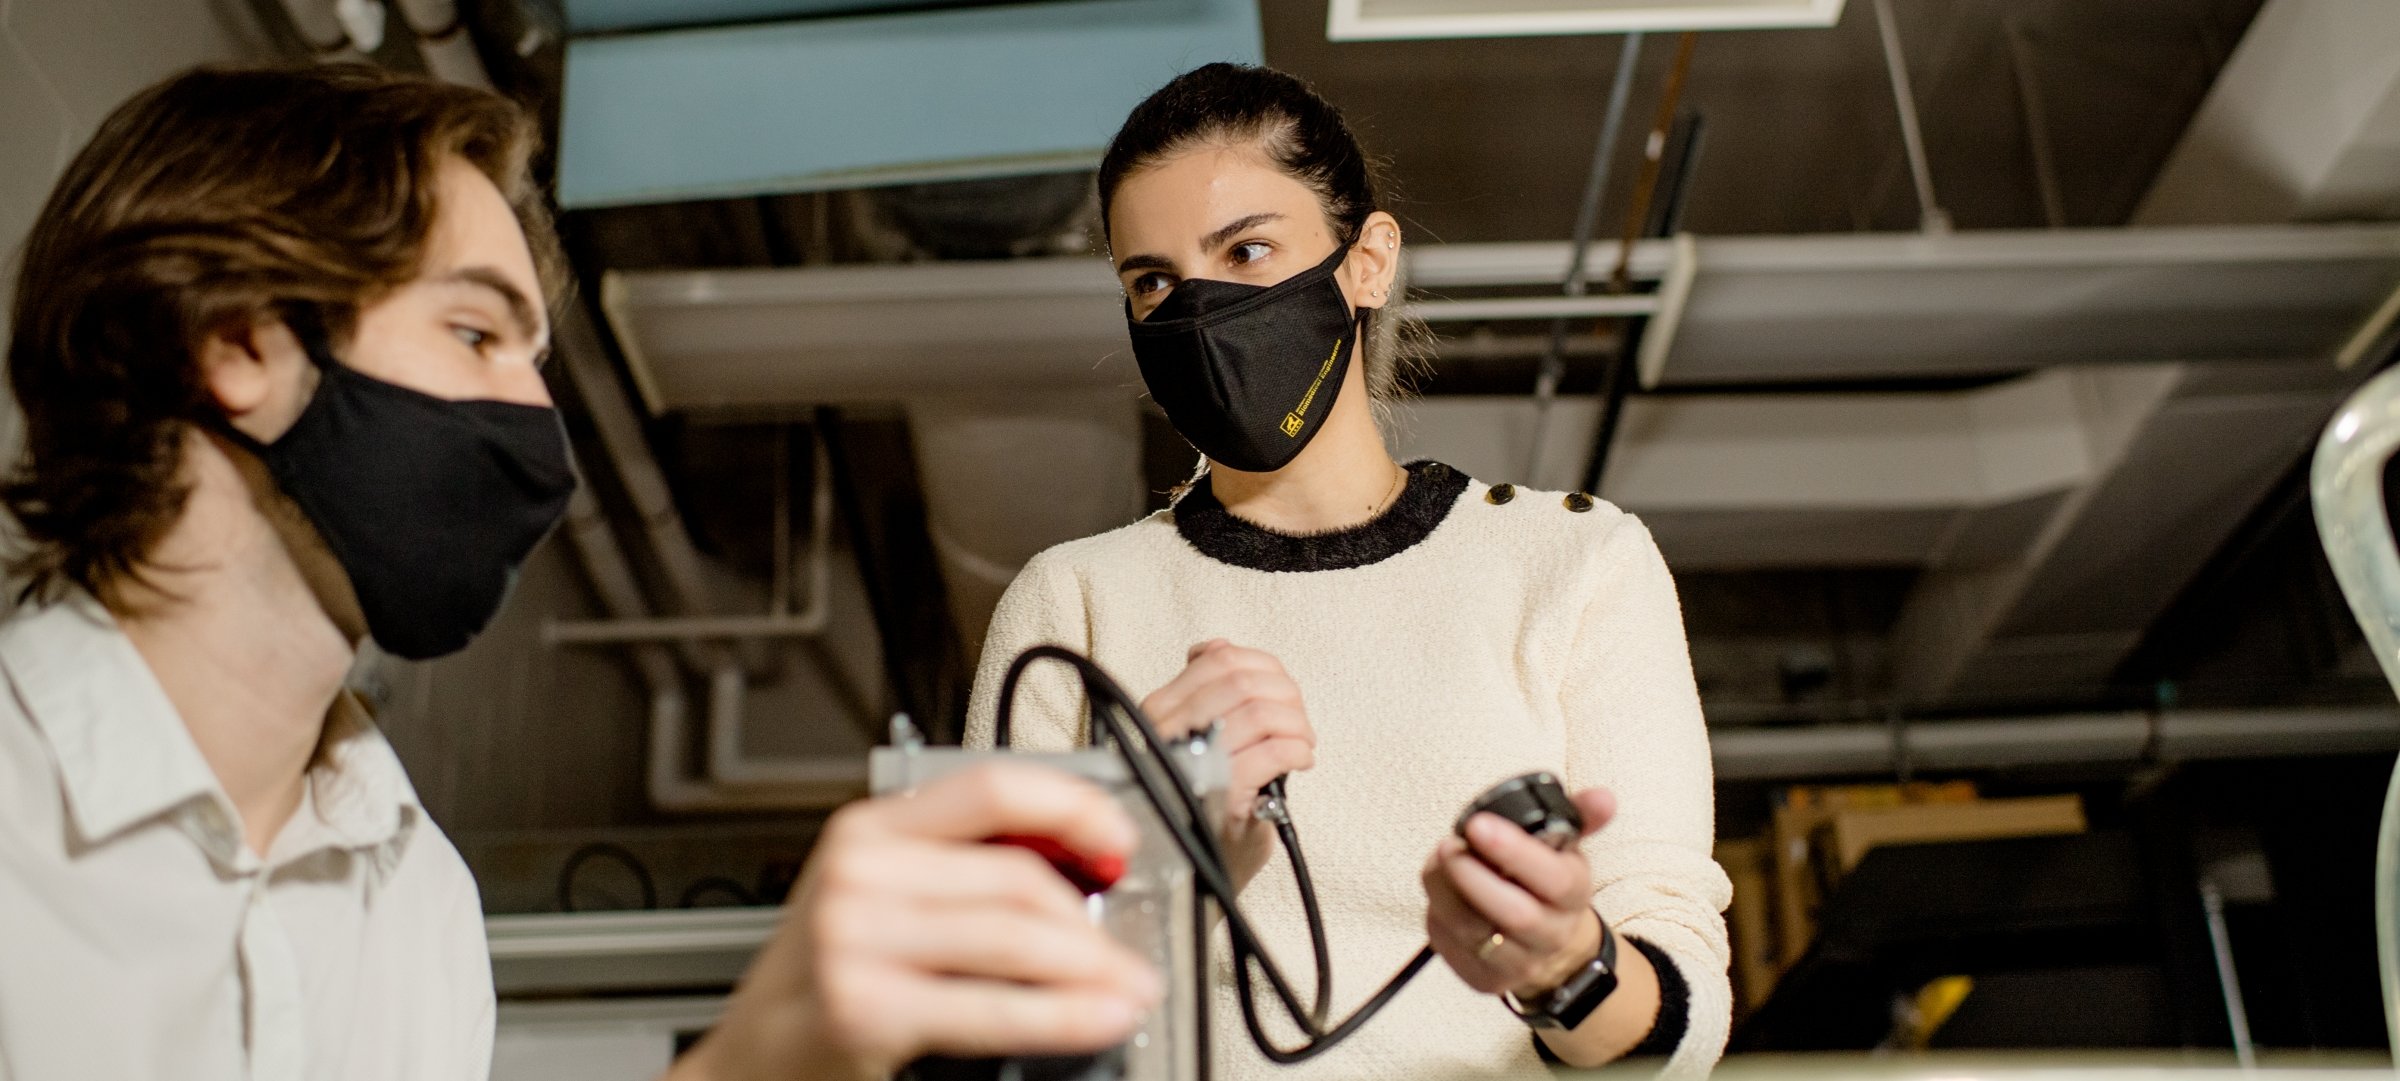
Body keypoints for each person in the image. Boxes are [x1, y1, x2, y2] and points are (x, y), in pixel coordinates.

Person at [0, 64, 1155, 1081]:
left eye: (537, 361)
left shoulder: (421, 912)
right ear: (241, 341)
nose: (541, 434)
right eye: (473, 333)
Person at [965, 63, 1732, 1078]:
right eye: (1152, 281)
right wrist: (1138, 843)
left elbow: (1682, 1007)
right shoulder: (1075, 605)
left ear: (1367, 262)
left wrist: (1568, 962)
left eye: (1247, 249)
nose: (1198, 308)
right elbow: (982, 1013)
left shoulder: (1576, 563)